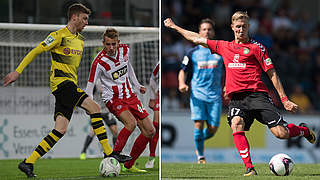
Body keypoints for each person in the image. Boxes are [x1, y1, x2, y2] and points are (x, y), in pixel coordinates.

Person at [164, 11, 316, 176]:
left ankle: (304, 131)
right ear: (232, 27)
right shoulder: (224, 46)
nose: (241, 29)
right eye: (238, 26)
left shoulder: (257, 48)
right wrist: (174, 27)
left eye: (244, 26)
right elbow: (196, 38)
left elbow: (272, 73)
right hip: (236, 98)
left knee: (281, 133)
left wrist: (284, 99)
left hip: (257, 95)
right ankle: (250, 168)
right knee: (236, 124)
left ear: (248, 27)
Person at [3, 3, 131, 178]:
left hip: (69, 85)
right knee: (94, 108)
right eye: (84, 18)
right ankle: (109, 153)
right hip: (62, 84)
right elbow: (35, 51)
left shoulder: (81, 40)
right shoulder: (58, 36)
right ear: (74, 17)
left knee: (60, 130)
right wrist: (17, 71)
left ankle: (28, 162)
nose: (86, 22)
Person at [86, 28, 155, 173]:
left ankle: (129, 165)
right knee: (131, 123)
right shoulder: (98, 62)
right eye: (108, 44)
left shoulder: (125, 50)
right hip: (113, 99)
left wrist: (137, 84)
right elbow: (90, 84)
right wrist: (89, 104)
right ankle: (112, 156)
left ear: (118, 43)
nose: (111, 48)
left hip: (130, 95)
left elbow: (128, 67)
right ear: (103, 43)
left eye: (113, 44)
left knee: (150, 131)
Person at [177, 18, 223, 164]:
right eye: (204, 29)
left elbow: (229, 71)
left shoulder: (220, 51)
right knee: (198, 124)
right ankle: (200, 156)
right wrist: (182, 83)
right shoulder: (192, 53)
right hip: (197, 94)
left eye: (209, 29)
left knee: (213, 128)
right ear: (199, 32)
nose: (207, 32)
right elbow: (182, 71)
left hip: (215, 96)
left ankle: (198, 140)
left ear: (213, 32)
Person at [80, 84, 119, 160]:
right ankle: (83, 151)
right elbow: (89, 94)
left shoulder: (110, 81)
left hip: (107, 111)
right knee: (92, 132)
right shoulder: (96, 83)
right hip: (97, 110)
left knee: (115, 131)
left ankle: (116, 152)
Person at [145, 62, 160, 168]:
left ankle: (152, 157)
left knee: (156, 127)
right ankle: (151, 157)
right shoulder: (159, 64)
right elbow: (152, 79)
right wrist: (153, 96)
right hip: (159, 94)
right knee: (155, 127)